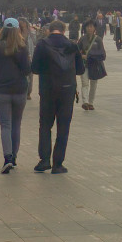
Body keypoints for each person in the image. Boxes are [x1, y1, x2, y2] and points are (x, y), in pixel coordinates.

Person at [29, 20, 83, 174]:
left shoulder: (42, 44)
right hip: (67, 90)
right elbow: (80, 69)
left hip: (48, 90)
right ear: (64, 30)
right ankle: (58, 164)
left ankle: (44, 160)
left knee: (45, 125)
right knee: (63, 127)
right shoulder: (72, 45)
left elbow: (35, 68)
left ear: (49, 30)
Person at [0, 18, 32, 174]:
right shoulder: (22, 47)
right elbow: (27, 70)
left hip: (2, 91)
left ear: (3, 29)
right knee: (16, 124)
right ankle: (14, 157)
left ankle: (7, 157)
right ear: (17, 30)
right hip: (19, 91)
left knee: (5, 125)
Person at [78, 22, 108, 112]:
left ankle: (91, 102)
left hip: (95, 65)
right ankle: (85, 102)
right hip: (84, 65)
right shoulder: (82, 39)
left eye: (91, 27)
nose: (89, 28)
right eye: (88, 27)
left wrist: (89, 56)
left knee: (93, 84)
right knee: (85, 83)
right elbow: (77, 51)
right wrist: (81, 56)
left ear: (94, 28)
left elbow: (102, 54)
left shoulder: (98, 39)